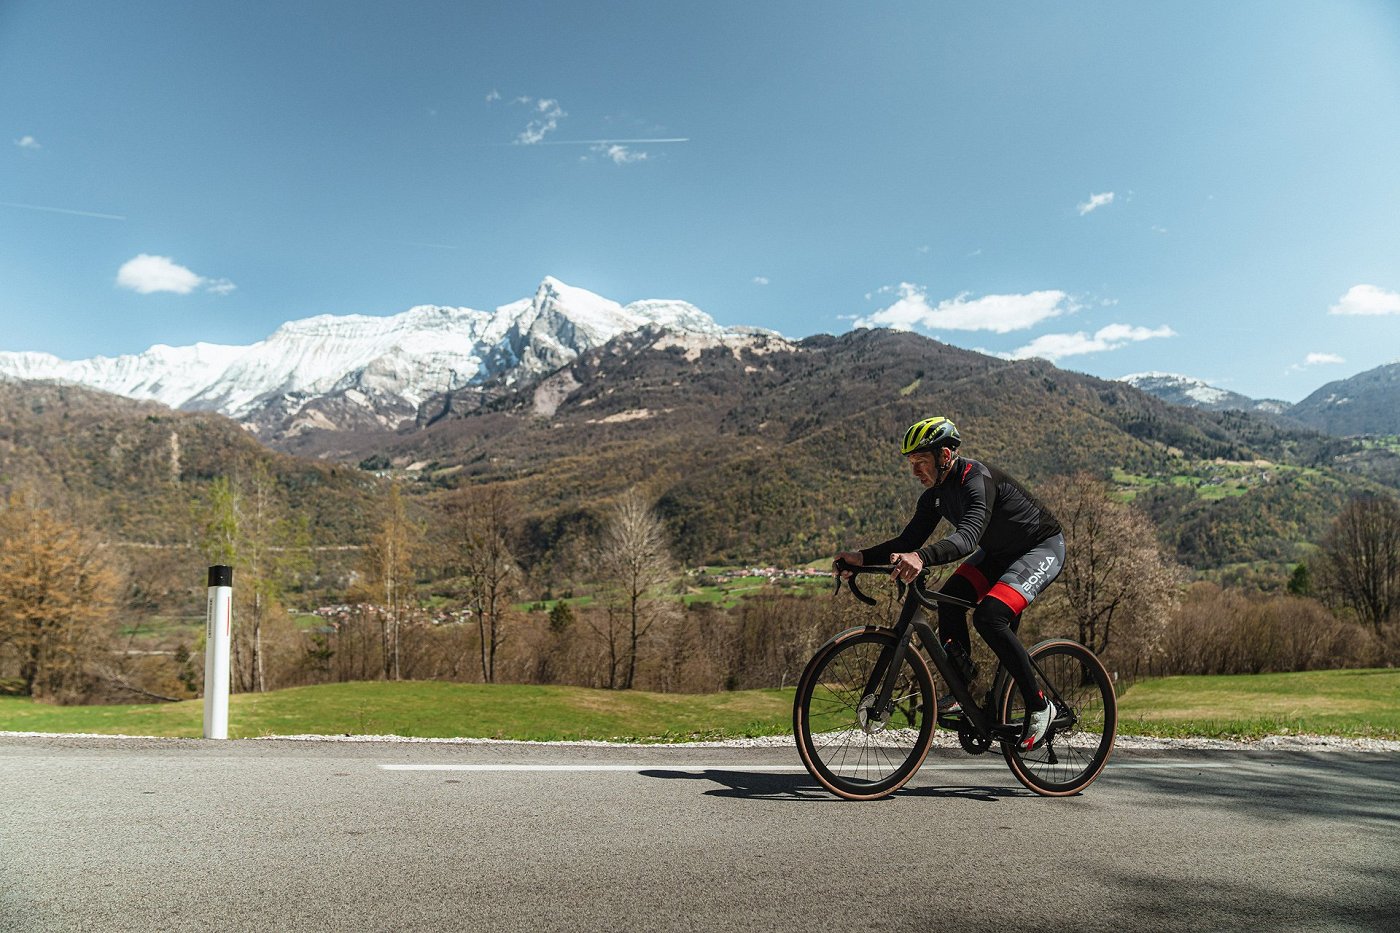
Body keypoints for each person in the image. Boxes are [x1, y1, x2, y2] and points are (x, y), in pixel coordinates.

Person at [834, 416, 1066, 751]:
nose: (915, 471)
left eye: (921, 462)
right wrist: (861, 557)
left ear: (945, 455)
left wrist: (922, 558)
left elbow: (968, 537)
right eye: (911, 464)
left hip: (1040, 547)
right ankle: (962, 688)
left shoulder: (976, 479)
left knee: (990, 616)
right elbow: (909, 539)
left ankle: (1040, 704)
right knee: (949, 598)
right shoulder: (934, 497)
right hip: (999, 554)